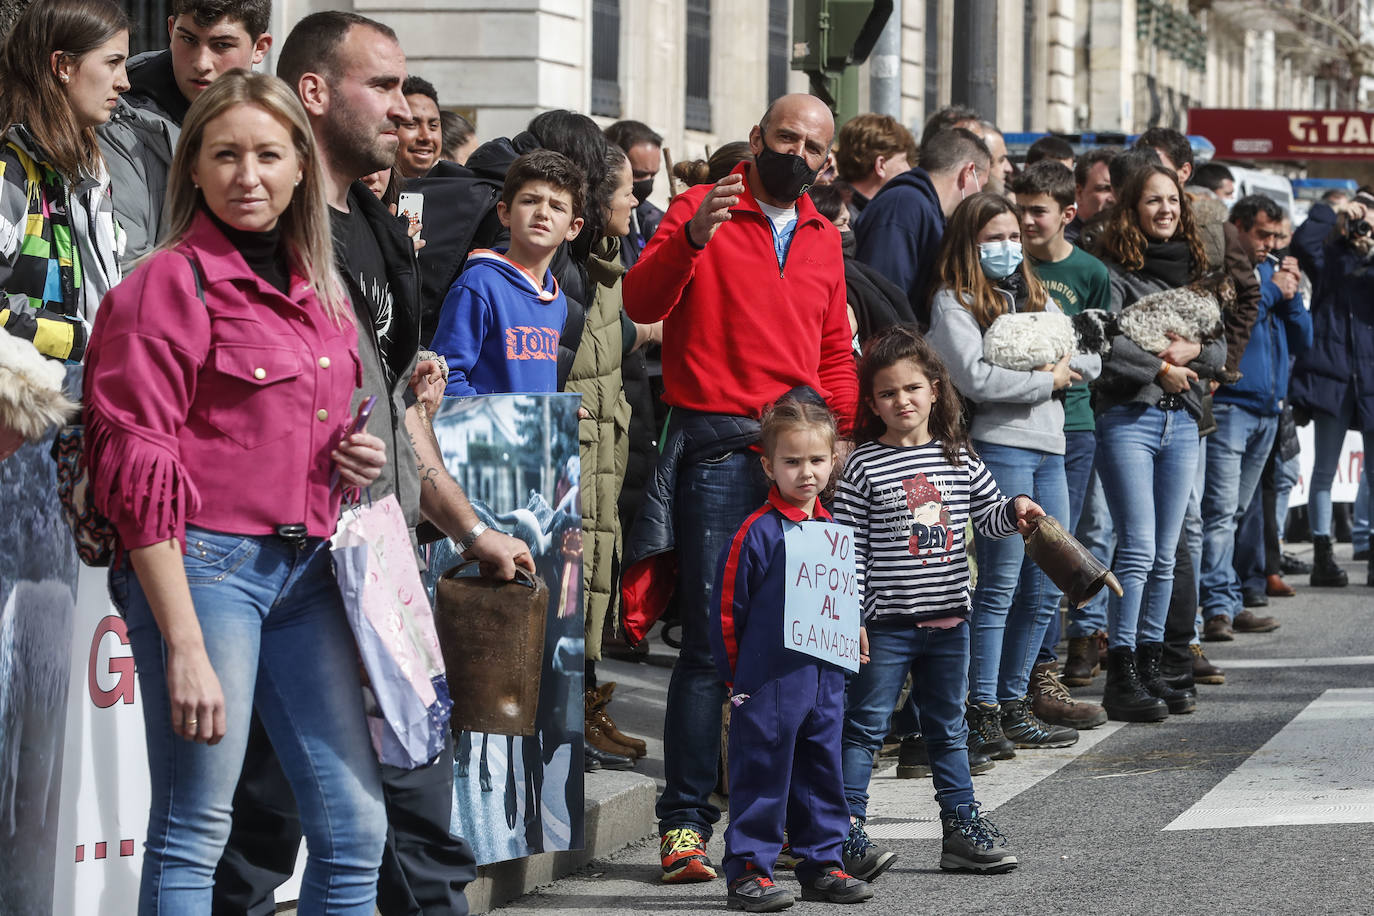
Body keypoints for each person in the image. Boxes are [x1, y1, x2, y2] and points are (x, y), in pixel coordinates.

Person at [211, 15, 533, 916]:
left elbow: (397, 418)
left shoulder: (385, 230)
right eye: (382, 87)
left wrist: (471, 528)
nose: (406, 108)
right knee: (258, 830)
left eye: (404, 88)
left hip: (379, 559)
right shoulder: (269, 233)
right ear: (313, 92)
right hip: (288, 568)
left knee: (416, 817)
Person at [85, 69, 390, 914]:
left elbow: (294, 422)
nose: (245, 175)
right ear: (192, 168)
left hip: (308, 571)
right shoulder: (163, 287)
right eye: (223, 155)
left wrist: (349, 454)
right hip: (203, 571)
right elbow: (133, 471)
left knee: (356, 830)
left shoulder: (321, 293)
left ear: (301, 165)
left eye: (266, 154)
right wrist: (182, 642)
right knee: (194, 829)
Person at [620, 92, 857, 884]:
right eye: (784, 137)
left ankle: (796, 830)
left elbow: (832, 354)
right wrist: (691, 236)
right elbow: (641, 301)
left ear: (827, 161)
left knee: (806, 655)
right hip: (721, 453)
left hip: (804, 464)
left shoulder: (824, 238)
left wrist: (840, 445)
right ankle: (685, 825)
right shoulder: (697, 206)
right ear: (757, 138)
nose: (797, 152)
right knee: (713, 652)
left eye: (812, 145)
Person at [835, 326, 1035, 882]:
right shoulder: (861, 466)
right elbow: (847, 548)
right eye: (887, 393)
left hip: (950, 622)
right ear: (872, 402)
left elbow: (990, 516)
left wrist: (1017, 508)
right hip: (887, 625)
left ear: (935, 389)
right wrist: (852, 616)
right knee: (865, 729)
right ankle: (845, 831)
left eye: (912, 388)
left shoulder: (959, 457)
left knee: (949, 729)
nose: (902, 401)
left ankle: (962, 830)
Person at [925, 191, 1095, 757]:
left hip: (1052, 446)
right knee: (999, 586)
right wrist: (1047, 379)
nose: (1007, 247)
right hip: (1001, 448)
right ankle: (984, 711)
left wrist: (1061, 366)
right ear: (969, 243)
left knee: (1051, 580)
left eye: (1013, 236)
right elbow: (973, 378)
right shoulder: (954, 302)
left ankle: (1016, 701)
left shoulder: (1038, 294)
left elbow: (1084, 354)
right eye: (993, 237)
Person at [708, 397, 873, 912]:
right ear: (768, 466)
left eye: (817, 461)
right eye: (792, 462)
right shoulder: (756, 532)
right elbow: (727, 611)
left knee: (822, 771)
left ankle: (822, 865)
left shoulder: (832, 530)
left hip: (825, 677)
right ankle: (749, 873)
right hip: (770, 680)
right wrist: (738, 680)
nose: (806, 472)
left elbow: (840, 596)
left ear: (833, 461)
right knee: (762, 773)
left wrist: (854, 630)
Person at [1092, 163, 1225, 722]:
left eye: (1173, 200)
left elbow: (1219, 348)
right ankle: (1120, 668)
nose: (1165, 210)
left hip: (1184, 421)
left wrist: (1194, 356)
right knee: (1139, 547)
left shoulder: (1196, 271)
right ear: (1132, 207)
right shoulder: (1112, 270)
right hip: (1131, 417)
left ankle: (1153, 662)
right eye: (1153, 201)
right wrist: (1158, 368)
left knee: (1167, 554)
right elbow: (1101, 341)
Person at [1010, 161, 1111, 730]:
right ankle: (1012, 683)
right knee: (1014, 557)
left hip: (1073, 425)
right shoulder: (1005, 261)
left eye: (1037, 211)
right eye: (1019, 208)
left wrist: (1065, 366)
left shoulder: (1090, 272)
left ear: (1067, 214)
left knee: (1057, 554)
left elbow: (1099, 350)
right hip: (1017, 424)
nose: (1025, 221)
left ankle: (1044, 674)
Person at [572, 142, 653, 764]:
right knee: (574, 589)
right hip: (576, 449)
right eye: (626, 187)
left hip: (603, 445)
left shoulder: (603, 261)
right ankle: (571, 716)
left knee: (595, 582)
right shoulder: (574, 270)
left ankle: (582, 708)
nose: (635, 198)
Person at [1198, 195, 1310, 640]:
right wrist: (1270, 291)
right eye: (1262, 234)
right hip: (1232, 404)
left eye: (1275, 236)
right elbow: (1226, 326)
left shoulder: (1273, 274)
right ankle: (1217, 607)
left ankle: (1231, 597)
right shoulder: (1223, 269)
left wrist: (1293, 295)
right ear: (1238, 227)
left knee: (1240, 511)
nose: (1269, 244)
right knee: (1221, 511)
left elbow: (1304, 337)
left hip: (1267, 409)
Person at [98, 0, 272, 268]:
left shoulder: (279, 126)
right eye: (188, 39)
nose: (202, 63)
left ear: (259, 47)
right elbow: (126, 269)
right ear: (171, 30)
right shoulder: (119, 123)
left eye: (222, 45)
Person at [1, 0, 128, 363]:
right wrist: (84, 339)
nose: (125, 81)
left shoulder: (91, 170)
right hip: (26, 412)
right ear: (63, 66)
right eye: (112, 62)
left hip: (84, 402)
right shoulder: (9, 168)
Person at [430, 149, 584, 395]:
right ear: (505, 213)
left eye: (557, 207)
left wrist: (556, 415)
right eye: (529, 201)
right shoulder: (478, 284)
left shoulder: (559, 300)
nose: (543, 213)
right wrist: (500, 423)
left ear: (573, 228)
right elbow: (445, 378)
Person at [1288, 192, 1374, 588]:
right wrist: (1334, 213)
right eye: (1360, 217)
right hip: (1331, 377)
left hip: (1370, 380)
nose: (1363, 226)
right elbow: (1303, 240)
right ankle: (1323, 555)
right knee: (1323, 470)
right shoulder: (1328, 258)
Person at [854, 127, 990, 327]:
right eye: (982, 185)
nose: (980, 195)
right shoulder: (904, 205)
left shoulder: (922, 207)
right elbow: (882, 297)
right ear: (968, 172)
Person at [604, 119, 664, 267]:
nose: (648, 183)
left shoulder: (653, 218)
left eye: (653, 175)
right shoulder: (606, 225)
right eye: (639, 174)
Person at [834, 113, 916, 213]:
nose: (908, 169)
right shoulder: (840, 217)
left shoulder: (831, 204)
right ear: (881, 165)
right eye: (903, 160)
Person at [1065, 147, 1117, 246]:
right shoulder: (1066, 245)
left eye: (1119, 189)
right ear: (1079, 193)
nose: (1113, 198)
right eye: (1104, 189)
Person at [395, 74, 440, 177]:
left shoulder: (452, 190)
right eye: (411, 124)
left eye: (433, 125)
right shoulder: (369, 188)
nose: (426, 137)